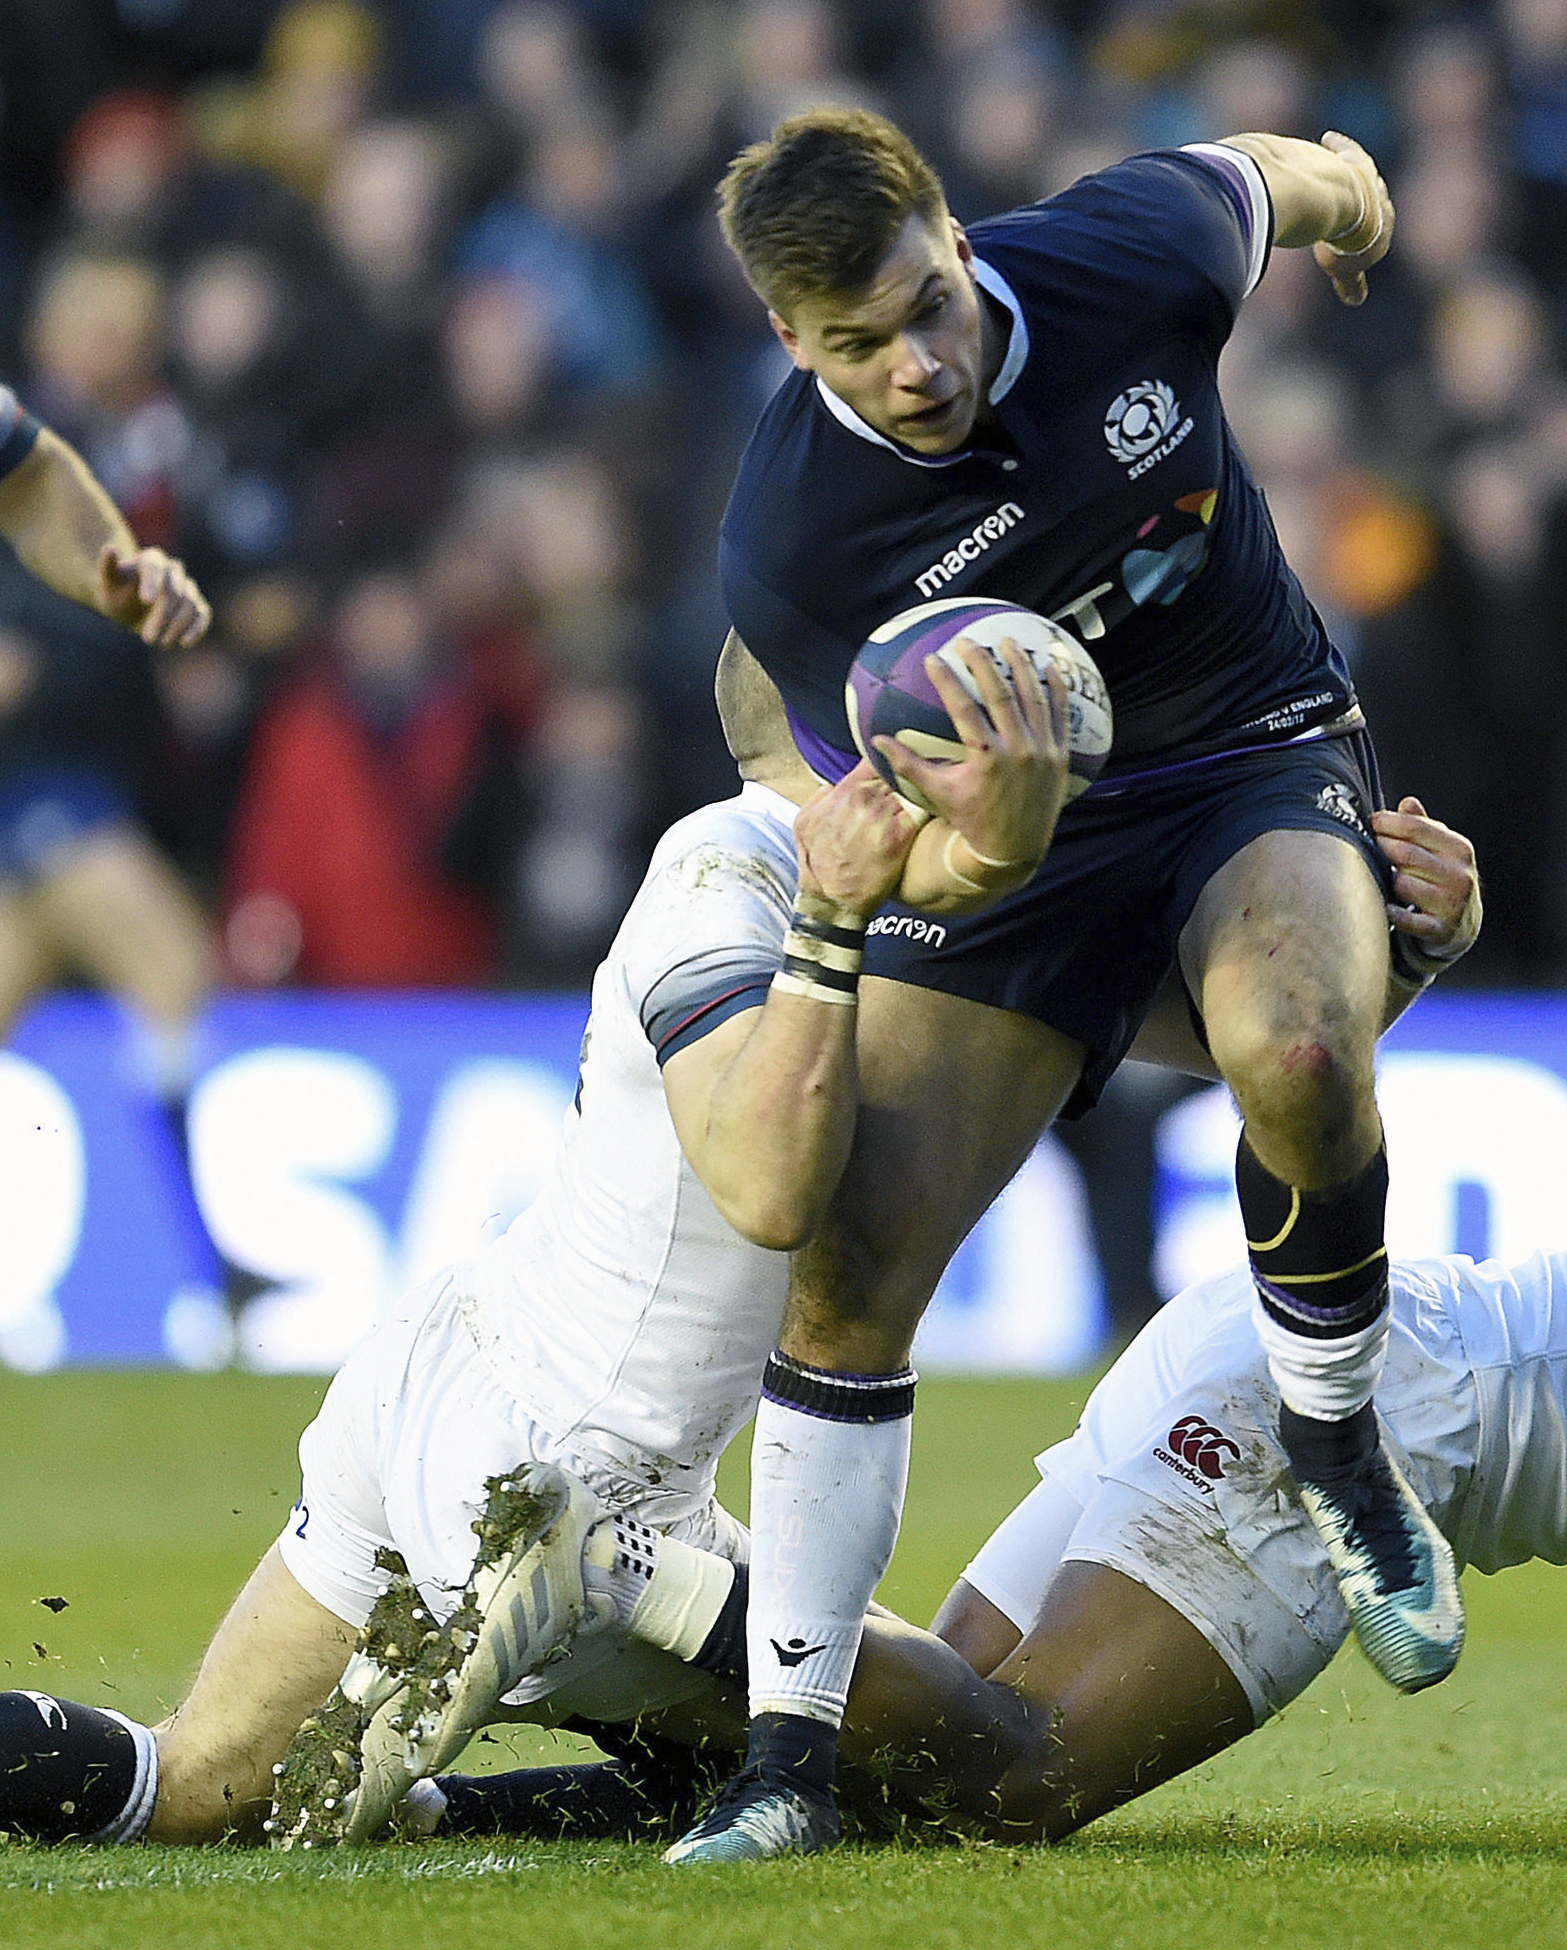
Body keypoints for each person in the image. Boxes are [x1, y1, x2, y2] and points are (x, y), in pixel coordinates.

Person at [0, 634, 1485, 1850]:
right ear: (877, 724)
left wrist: (1398, 948)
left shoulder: (911, 905)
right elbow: (770, 1188)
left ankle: (440, 1803)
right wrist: (835, 923)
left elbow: (1240, 1043)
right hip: (573, 1487)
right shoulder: (730, 875)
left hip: (440, 1380)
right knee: (990, 1763)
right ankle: (599, 1585)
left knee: (191, 1788)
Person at [696, 100, 1455, 1865]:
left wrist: (1356, 206)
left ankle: (1339, 1450)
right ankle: (786, 1759)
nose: (916, 366)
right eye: (858, 345)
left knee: (1309, 1055)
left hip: (1241, 746)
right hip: (1001, 839)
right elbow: (894, 834)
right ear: (788, 343)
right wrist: (995, 835)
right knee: (853, 1258)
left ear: (957, 237)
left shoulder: (1131, 256)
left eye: (926, 304)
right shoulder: (796, 549)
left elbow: (1289, 173)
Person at [401, 1121, 1567, 1850]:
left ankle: (458, 1792)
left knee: (892, 1788)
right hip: (1358, 1440)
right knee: (1016, 1780)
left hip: (1279, 1343)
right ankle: (639, 1563)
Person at [0, 382, 246, 1335]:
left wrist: (115, 569)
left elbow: (28, 481)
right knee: (172, 970)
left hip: (49, 787)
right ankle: (211, 1259)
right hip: (48, 794)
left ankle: (214, 1267)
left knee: (172, 973)